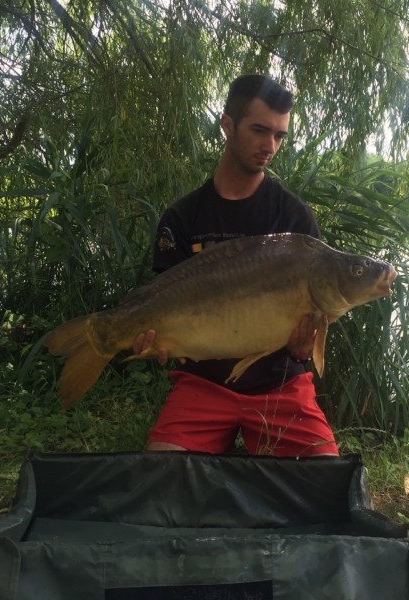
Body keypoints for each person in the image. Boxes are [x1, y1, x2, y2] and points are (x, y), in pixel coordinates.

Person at [135, 74, 339, 457]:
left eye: (279, 135)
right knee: (162, 472)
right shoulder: (182, 217)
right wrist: (154, 340)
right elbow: (161, 305)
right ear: (227, 125)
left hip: (280, 384)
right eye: (259, 131)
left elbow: (304, 344)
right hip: (203, 383)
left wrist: (301, 349)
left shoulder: (294, 219)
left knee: (324, 476)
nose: (270, 146)